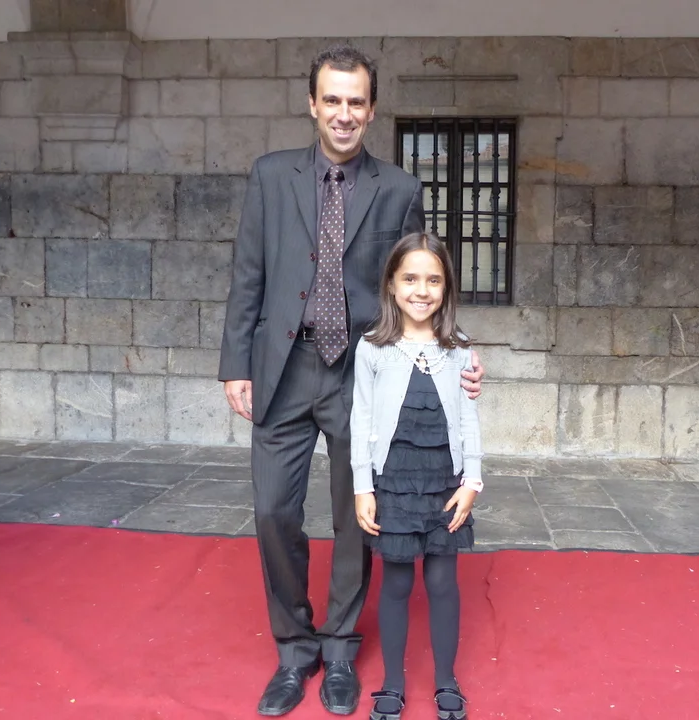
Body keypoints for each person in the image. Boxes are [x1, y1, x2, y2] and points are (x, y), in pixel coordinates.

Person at [218, 45, 484, 717]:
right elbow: (249, 274)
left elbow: (420, 281)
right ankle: (294, 648)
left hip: (362, 373)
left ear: (371, 109)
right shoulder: (271, 175)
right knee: (273, 511)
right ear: (312, 104)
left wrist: (457, 357)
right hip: (282, 368)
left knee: (355, 514)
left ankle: (339, 648)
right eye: (332, 99)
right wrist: (235, 364)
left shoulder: (398, 189)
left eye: (356, 101)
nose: (343, 113)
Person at [351, 232, 482, 720]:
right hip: (394, 480)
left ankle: (446, 679)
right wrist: (363, 486)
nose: (421, 290)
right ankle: (392, 683)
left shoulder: (459, 349)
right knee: (397, 582)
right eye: (409, 279)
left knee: (443, 581)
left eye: (433, 280)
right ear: (391, 284)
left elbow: (469, 419)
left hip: (445, 480)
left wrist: (472, 481)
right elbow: (361, 419)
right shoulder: (373, 348)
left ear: (446, 288)